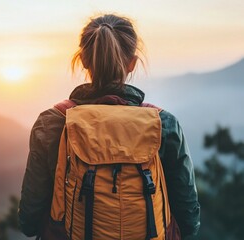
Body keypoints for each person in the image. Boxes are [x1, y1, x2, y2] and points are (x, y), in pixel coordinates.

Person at [18, 13, 200, 239]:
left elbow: (29, 220)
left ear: (83, 60)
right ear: (132, 63)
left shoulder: (52, 123)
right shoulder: (163, 125)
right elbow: (189, 220)